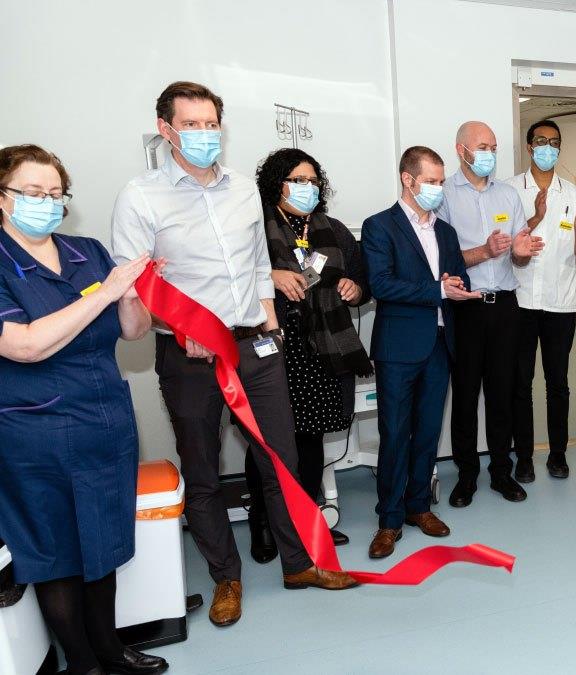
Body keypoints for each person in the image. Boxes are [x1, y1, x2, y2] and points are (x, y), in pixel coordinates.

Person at [111, 82, 357, 629]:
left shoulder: (244, 189)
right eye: (191, 125)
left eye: (211, 124)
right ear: (166, 129)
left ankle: (299, 563)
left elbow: (254, 267)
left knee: (282, 461)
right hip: (189, 355)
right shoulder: (140, 196)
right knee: (203, 473)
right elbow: (135, 284)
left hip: (256, 346)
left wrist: (271, 323)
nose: (204, 135)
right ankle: (227, 577)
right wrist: (176, 324)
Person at [0, 145, 167, 674]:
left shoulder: (87, 251)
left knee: (105, 543)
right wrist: (103, 294)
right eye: (31, 193)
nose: (46, 204)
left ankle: (111, 649)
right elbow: (26, 345)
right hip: (35, 432)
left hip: (104, 422)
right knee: (57, 556)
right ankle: (83, 664)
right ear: (2, 198)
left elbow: (134, 332)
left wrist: (130, 294)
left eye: (55, 194)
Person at [242, 148, 372, 561]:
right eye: (298, 180)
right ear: (276, 183)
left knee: (311, 437)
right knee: (270, 444)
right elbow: (235, 279)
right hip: (273, 345)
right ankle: (263, 524)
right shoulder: (253, 228)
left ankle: (309, 520)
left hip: (323, 348)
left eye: (313, 180)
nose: (308, 187)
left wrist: (355, 289)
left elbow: (361, 279)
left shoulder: (332, 228)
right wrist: (270, 275)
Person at [362, 146, 479, 559]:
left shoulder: (445, 231)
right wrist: (436, 290)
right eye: (430, 181)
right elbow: (381, 285)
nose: (437, 188)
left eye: (440, 181)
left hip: (440, 345)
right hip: (398, 348)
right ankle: (389, 519)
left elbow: (456, 276)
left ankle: (418, 507)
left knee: (428, 431)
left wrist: (458, 286)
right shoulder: (379, 227)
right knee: (396, 434)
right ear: (407, 180)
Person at [438, 121, 544, 507]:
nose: (489, 154)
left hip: (505, 307)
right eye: (482, 147)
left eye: (494, 147)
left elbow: (516, 253)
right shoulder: (444, 195)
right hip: (464, 307)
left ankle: (501, 471)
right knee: (464, 396)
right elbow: (441, 260)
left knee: (502, 393)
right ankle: (467, 476)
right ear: (461, 150)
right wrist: (483, 251)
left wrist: (521, 248)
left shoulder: (509, 196)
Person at [503, 120, 576, 482]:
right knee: (520, 384)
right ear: (529, 146)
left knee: (558, 383)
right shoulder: (509, 191)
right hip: (521, 302)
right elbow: (504, 243)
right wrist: (536, 217)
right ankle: (523, 457)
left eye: (554, 142)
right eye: (541, 141)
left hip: (561, 304)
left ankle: (558, 455)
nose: (547, 147)